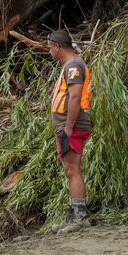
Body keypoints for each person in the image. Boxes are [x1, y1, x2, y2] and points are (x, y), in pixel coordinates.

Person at [47, 29, 92, 227]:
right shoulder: (69, 64)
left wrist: (68, 127)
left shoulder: (74, 65)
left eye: (50, 48)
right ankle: (73, 215)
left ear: (57, 46)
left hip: (72, 125)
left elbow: (75, 97)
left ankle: (79, 218)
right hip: (67, 125)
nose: (49, 52)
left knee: (73, 170)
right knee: (70, 170)